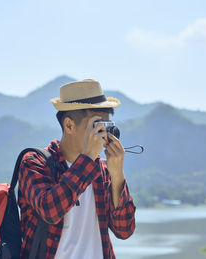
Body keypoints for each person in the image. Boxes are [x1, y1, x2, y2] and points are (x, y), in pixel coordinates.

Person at [17, 79, 136, 259]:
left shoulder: (102, 170)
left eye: (107, 126)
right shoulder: (35, 163)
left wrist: (117, 174)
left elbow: (124, 230)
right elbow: (50, 210)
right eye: (97, 126)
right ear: (69, 125)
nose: (104, 133)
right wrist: (87, 159)